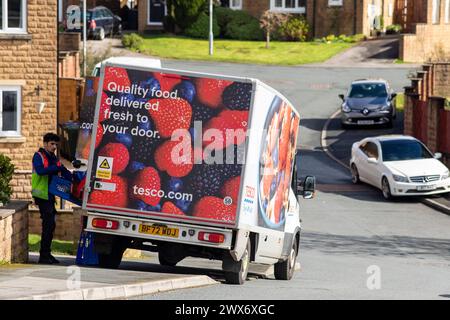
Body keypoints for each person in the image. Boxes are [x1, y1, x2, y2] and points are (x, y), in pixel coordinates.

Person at [31, 133, 72, 264]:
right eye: (52, 144)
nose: (54, 146)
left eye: (56, 144)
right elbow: (41, 171)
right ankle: (43, 256)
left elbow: (63, 169)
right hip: (41, 195)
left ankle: (47, 254)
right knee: (48, 225)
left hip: (49, 195)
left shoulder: (53, 157)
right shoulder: (38, 156)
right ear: (45, 144)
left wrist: (74, 175)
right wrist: (57, 167)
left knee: (51, 225)